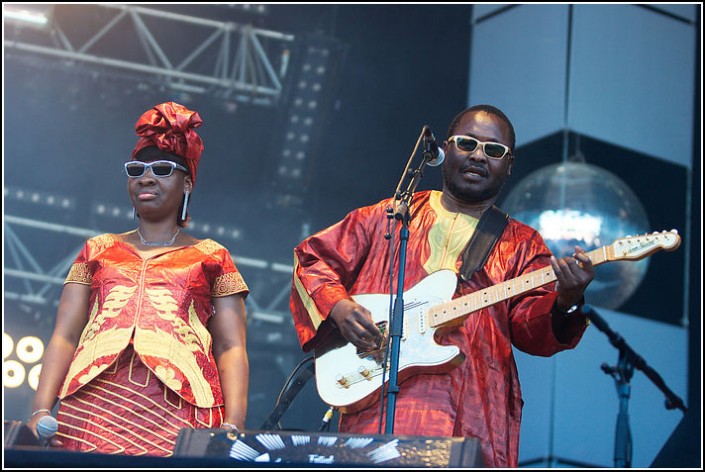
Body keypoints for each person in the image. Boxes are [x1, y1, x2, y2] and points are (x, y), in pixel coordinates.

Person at [289, 104, 595, 468]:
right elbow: (311, 259)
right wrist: (340, 307)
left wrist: (567, 300)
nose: (479, 156)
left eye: (493, 150)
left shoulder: (523, 244)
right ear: (446, 148)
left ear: (508, 165)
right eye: (467, 143)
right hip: (377, 403)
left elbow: (532, 329)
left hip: (472, 413)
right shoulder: (387, 217)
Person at [27, 102, 250, 457]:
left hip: (182, 408)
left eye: (162, 169)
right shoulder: (97, 249)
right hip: (91, 406)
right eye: (136, 169)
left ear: (187, 182)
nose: (146, 178)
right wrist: (40, 410)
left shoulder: (212, 255)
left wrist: (234, 426)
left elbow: (231, 347)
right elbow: (64, 336)